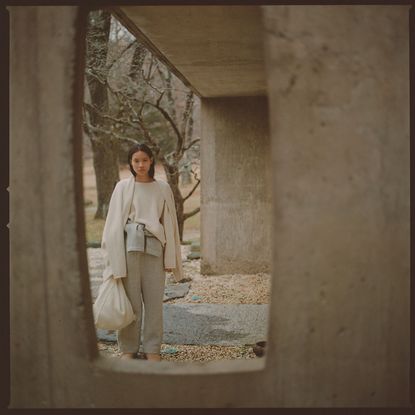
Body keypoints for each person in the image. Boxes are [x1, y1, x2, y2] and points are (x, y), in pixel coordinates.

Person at [100, 143, 184, 362]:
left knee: (154, 304)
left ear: (151, 161)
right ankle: (128, 348)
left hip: (155, 249)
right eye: (136, 161)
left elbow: (170, 225)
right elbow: (112, 225)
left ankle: (152, 349)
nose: (140, 165)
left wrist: (170, 258)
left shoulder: (163, 188)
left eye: (144, 160)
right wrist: (113, 261)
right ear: (130, 162)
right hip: (129, 249)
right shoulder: (122, 187)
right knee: (131, 303)